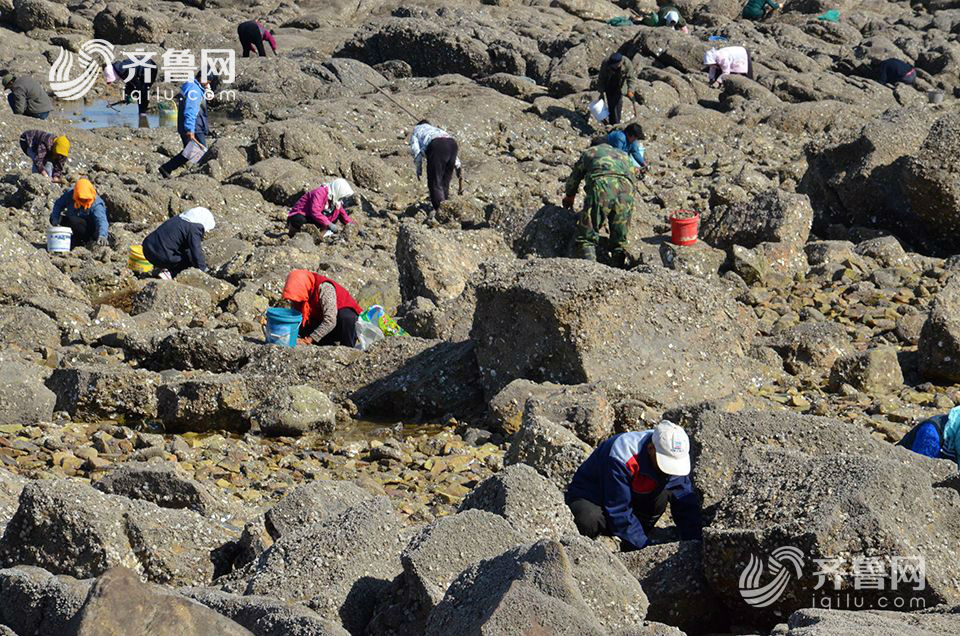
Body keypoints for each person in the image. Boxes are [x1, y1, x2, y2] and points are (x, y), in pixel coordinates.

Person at [566, 422, 702, 551]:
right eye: (666, 463)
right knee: (588, 519)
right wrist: (644, 549)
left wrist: (694, 543)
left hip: (634, 494)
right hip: (594, 496)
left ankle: (635, 538)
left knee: (662, 496)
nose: (670, 470)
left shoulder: (673, 453)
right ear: (650, 449)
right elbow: (618, 508)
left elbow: (685, 502)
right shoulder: (622, 453)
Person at [562, 143, 637, 267]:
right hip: (626, 190)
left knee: (587, 235)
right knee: (619, 237)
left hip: (603, 186)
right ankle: (618, 270)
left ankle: (590, 269)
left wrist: (570, 196)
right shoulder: (624, 155)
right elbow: (633, 178)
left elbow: (575, 177)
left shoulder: (590, 152)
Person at [281, 270, 363, 347]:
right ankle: (326, 343)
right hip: (321, 319)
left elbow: (330, 320)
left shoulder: (325, 288)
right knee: (301, 323)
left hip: (340, 324)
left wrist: (309, 340)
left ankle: (346, 348)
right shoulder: (300, 291)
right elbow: (295, 315)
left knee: (347, 318)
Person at [159, 72, 217, 178]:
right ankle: (201, 175)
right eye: (208, 82)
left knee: (190, 151)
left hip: (187, 124)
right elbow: (190, 110)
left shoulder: (191, 85)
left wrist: (206, 89)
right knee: (201, 152)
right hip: (195, 126)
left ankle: (166, 168)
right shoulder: (194, 90)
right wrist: (190, 129)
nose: (208, 84)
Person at [141, 207, 215, 279]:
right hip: (160, 255)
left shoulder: (180, 219)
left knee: (182, 251)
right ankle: (169, 274)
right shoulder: (195, 228)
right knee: (188, 262)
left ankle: (160, 267)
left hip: (147, 248)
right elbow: (196, 250)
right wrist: (203, 269)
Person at [409, 120, 464, 211]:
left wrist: (419, 169)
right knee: (445, 181)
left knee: (435, 181)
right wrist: (458, 165)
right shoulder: (437, 130)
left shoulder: (416, 130)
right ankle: (446, 206)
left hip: (436, 145)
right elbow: (446, 143)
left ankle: (440, 209)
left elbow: (416, 151)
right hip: (452, 144)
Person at [50, 178, 108, 248]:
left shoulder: (96, 204)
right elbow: (58, 204)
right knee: (53, 217)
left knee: (74, 221)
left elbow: (101, 220)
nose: (83, 200)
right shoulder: (71, 194)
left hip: (88, 229)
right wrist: (55, 218)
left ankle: (80, 242)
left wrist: (102, 235)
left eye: (85, 199)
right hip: (73, 222)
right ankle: (68, 238)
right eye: (80, 198)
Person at [287, 179, 358, 237]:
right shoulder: (320, 192)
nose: (342, 199)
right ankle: (293, 235)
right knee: (299, 220)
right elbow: (315, 211)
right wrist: (329, 224)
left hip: (312, 219)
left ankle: (319, 237)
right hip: (301, 215)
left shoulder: (335, 200)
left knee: (335, 215)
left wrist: (355, 227)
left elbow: (344, 216)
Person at [596, 52, 638, 126]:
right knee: (610, 105)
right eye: (612, 66)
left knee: (617, 105)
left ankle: (616, 124)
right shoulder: (606, 63)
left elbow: (631, 79)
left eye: (615, 66)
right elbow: (601, 78)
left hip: (620, 87)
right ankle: (610, 124)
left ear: (621, 62)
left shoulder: (627, 63)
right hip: (609, 85)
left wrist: (630, 90)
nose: (614, 67)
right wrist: (601, 91)